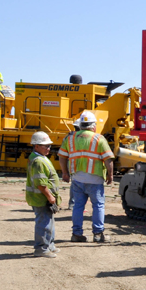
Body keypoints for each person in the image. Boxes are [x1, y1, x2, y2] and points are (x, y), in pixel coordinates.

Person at [58, 110, 115, 243]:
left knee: (78, 206)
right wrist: (110, 174)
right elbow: (108, 159)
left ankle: (76, 234)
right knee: (98, 206)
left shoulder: (70, 138)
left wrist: (65, 173)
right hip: (95, 180)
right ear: (93, 126)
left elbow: (62, 156)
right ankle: (98, 234)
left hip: (77, 179)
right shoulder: (99, 138)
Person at [25, 131, 61, 258]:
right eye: (45, 146)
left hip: (43, 197)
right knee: (44, 223)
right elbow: (40, 183)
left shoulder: (40, 157)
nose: (48, 148)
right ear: (36, 146)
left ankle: (49, 245)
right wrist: (50, 197)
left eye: (49, 146)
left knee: (48, 222)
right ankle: (41, 249)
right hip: (41, 198)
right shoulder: (38, 161)